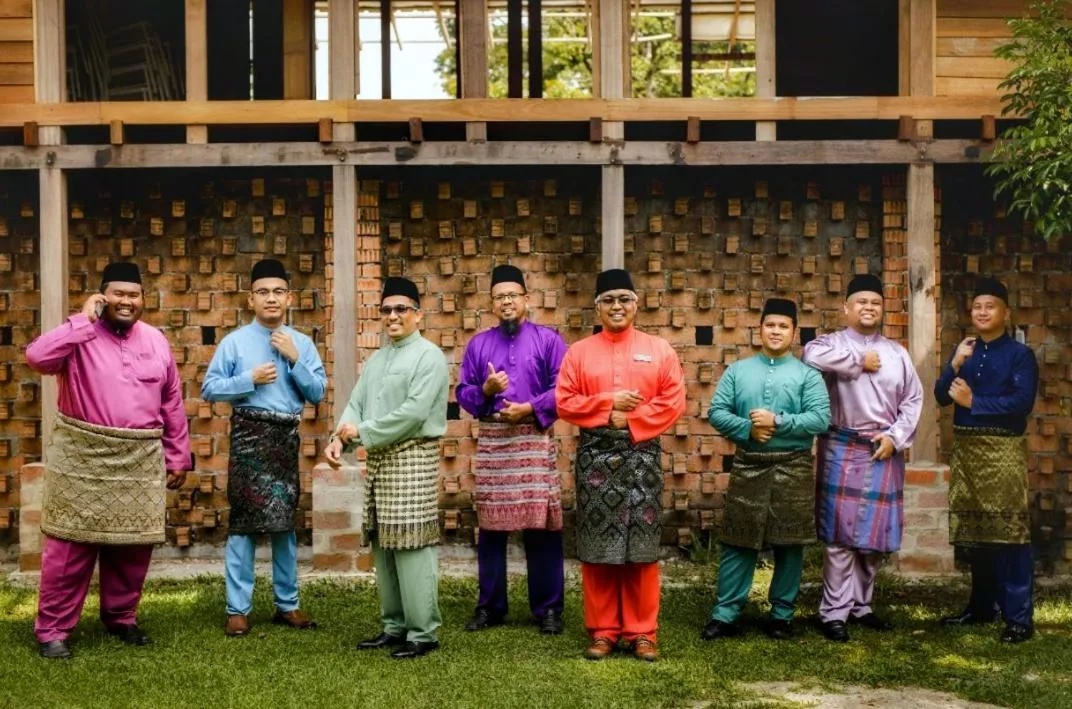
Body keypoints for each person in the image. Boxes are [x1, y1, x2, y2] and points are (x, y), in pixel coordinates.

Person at [26, 262, 190, 659]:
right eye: (118, 293)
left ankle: (121, 617)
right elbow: (37, 357)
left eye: (134, 294)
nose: (126, 301)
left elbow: (171, 400)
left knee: (133, 548)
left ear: (143, 299)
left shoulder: (156, 340)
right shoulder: (78, 335)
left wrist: (178, 455)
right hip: (84, 456)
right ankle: (53, 630)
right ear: (103, 296)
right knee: (69, 548)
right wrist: (82, 320)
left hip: (139, 457)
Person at [555, 268, 686, 662]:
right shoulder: (579, 352)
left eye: (624, 299)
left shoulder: (659, 349)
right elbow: (564, 401)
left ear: (636, 304)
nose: (617, 306)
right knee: (598, 548)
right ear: (597, 308)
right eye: (608, 300)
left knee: (641, 550)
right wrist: (606, 407)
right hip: (595, 459)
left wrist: (628, 420)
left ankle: (642, 632)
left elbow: (673, 400)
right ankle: (603, 631)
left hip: (641, 458)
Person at [325, 276, 449, 659]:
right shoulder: (377, 359)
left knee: (412, 544)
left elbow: (413, 414)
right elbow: (356, 404)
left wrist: (361, 433)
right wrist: (338, 438)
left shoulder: (429, 356)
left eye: (401, 309)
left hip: (413, 458)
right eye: (386, 310)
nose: (392, 316)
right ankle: (394, 626)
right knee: (384, 545)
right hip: (380, 462)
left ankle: (423, 632)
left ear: (418, 315)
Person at [201, 258, 327, 637]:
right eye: (262, 292)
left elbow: (318, 393)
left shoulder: (302, 343)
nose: (271, 298)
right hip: (248, 438)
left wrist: (295, 359)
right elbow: (210, 389)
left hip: (284, 439)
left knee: (283, 525)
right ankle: (237, 609)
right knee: (242, 526)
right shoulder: (234, 342)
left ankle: (287, 605)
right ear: (250, 299)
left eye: (277, 292)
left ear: (289, 298)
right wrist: (248, 379)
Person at [803, 273, 923, 642]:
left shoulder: (897, 353)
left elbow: (913, 400)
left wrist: (896, 438)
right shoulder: (831, 344)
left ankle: (861, 606)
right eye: (861, 302)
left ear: (882, 309)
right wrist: (859, 360)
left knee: (873, 539)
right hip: (841, 446)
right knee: (840, 537)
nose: (868, 308)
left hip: (884, 449)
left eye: (875, 303)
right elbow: (810, 355)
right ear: (847, 308)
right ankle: (833, 612)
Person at [703, 298, 830, 641]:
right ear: (759, 329)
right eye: (770, 325)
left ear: (794, 333)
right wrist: (748, 429)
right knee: (739, 540)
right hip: (749, 464)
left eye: (783, 326)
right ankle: (725, 613)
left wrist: (778, 422)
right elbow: (717, 412)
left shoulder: (808, 375)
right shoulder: (738, 371)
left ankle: (782, 615)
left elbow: (820, 419)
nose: (776, 331)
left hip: (794, 466)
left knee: (790, 543)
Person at [456, 264, 569, 634]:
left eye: (512, 295)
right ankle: (490, 606)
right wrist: (486, 390)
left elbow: (564, 388)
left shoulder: (548, 340)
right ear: (492, 303)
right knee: (491, 528)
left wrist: (531, 408)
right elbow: (464, 393)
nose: (506, 302)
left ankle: (548, 609)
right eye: (499, 297)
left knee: (542, 526)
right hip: (494, 442)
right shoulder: (478, 345)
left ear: (526, 299)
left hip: (533, 439)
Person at [935, 277, 1039, 643]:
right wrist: (953, 363)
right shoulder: (965, 350)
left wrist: (974, 402)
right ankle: (980, 608)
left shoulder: (1020, 355)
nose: (982, 312)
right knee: (975, 531)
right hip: (967, 451)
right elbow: (941, 396)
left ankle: (1018, 618)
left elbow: (1021, 403)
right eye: (977, 307)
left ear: (1005, 313)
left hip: (1003, 451)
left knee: (1010, 533)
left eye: (989, 306)